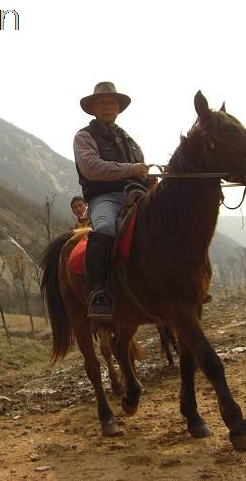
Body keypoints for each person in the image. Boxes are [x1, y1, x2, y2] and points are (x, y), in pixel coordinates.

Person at [73, 81, 150, 319]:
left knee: (169, 218)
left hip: (137, 193)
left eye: (112, 103)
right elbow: (91, 168)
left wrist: (148, 179)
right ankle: (98, 292)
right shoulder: (84, 137)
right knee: (105, 227)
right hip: (105, 197)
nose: (108, 107)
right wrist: (131, 169)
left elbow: (141, 169)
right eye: (102, 103)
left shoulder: (129, 140)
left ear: (119, 108)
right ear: (93, 108)